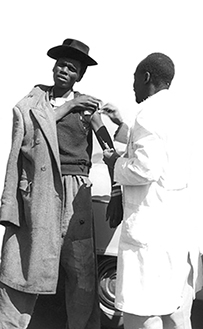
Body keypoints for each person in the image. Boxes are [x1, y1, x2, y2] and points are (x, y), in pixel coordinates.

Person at [0, 38, 116, 329]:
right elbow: (30, 130)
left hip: (75, 191)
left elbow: (109, 147)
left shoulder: (88, 110)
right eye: (61, 64)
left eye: (72, 68)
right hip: (39, 190)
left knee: (80, 268)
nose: (64, 69)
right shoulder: (33, 103)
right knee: (26, 259)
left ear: (79, 75)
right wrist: (70, 105)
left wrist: (117, 192)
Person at [103, 53, 203, 329]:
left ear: (146, 77)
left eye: (134, 80)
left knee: (141, 312)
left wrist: (115, 163)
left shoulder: (148, 112)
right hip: (176, 232)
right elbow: (159, 146)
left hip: (150, 235)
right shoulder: (181, 111)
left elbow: (145, 168)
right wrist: (121, 124)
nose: (132, 87)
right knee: (176, 312)